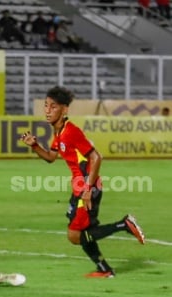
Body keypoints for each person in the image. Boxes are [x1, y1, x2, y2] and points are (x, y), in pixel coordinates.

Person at [20, 86, 146, 278]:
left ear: (64, 110)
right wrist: (35, 145)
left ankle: (124, 224)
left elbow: (97, 157)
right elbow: (50, 157)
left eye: (53, 106)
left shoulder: (71, 131)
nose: (47, 110)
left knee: (75, 235)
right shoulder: (59, 133)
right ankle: (104, 269)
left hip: (87, 187)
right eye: (46, 105)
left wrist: (87, 189)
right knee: (82, 232)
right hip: (80, 188)